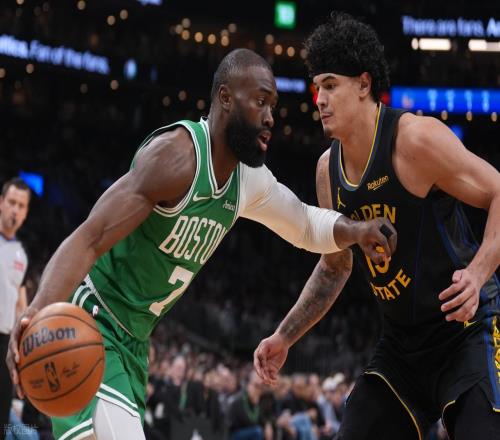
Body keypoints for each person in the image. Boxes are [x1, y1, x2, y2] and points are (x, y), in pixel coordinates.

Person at [6, 48, 396, 440]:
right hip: (95, 322)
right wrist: (34, 315)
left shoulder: (248, 180)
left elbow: (305, 223)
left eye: (273, 106)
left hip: (135, 343)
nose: (270, 117)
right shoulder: (175, 158)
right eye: (260, 101)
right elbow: (88, 238)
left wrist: (356, 230)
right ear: (225, 98)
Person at [254, 12, 500, 440]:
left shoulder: (415, 140)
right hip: (401, 349)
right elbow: (334, 266)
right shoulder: (327, 170)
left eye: (331, 85)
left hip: (466, 334)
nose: (320, 99)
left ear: (364, 85)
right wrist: (285, 336)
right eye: (317, 88)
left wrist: (478, 275)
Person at [0, 178, 30, 440]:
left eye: (21, 206)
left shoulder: (22, 254)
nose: (15, 210)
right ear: (1, 203)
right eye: (11, 202)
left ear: (26, 212)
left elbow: (23, 306)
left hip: (4, 343)